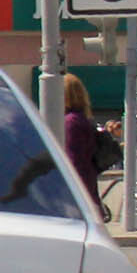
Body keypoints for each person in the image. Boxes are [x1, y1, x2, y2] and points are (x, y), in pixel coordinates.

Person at [61, 74, 105, 210]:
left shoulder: (70, 122)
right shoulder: (81, 119)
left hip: (77, 189)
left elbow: (74, 159)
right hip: (87, 183)